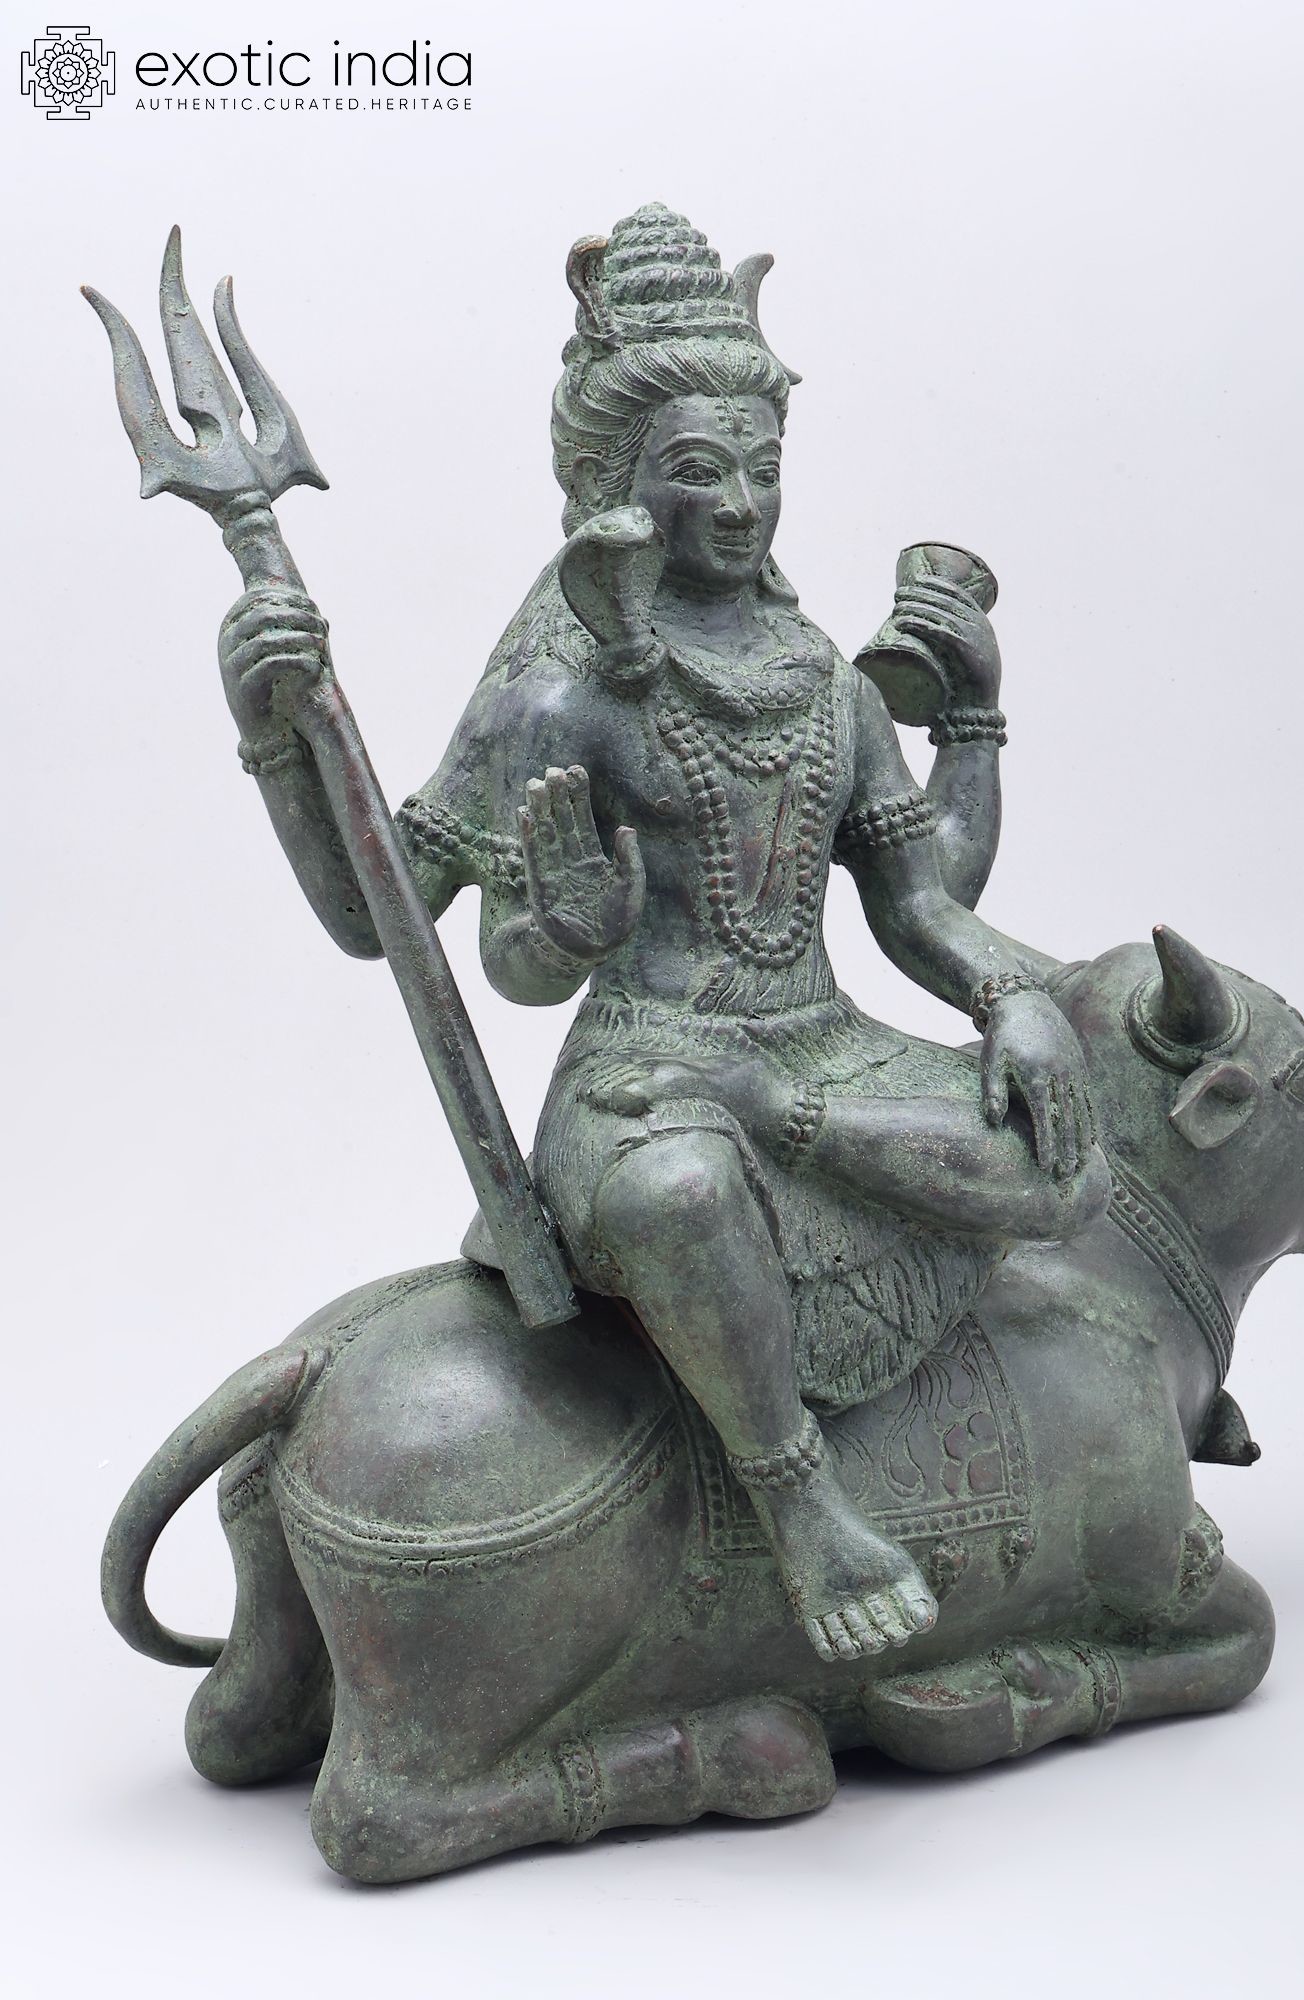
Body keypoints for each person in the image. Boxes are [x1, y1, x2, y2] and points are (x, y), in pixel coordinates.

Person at [218, 204, 1109, 1665]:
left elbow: (923, 899)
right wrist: (280, 742)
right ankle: (802, 1503)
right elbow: (394, 925)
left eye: (762, 468)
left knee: (1055, 1142)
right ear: (616, 486)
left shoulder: (821, 675)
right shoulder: (563, 688)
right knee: (687, 1196)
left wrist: (1009, 978)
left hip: (818, 1054)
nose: (741, 505)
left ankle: (847, 1258)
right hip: (648, 1076)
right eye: (698, 471)